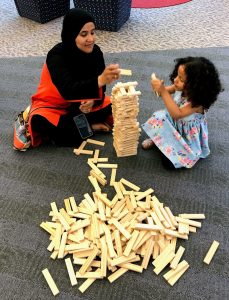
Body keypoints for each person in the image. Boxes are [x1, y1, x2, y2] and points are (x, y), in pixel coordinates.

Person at [13, 8, 121, 151]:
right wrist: (100, 80)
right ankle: (89, 127)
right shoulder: (56, 56)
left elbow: (101, 90)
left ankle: (81, 127)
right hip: (54, 106)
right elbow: (68, 90)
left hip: (78, 105)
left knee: (115, 106)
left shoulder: (96, 52)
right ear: (71, 35)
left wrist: (92, 101)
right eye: (84, 34)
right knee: (40, 122)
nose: (91, 39)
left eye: (93, 32)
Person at [141, 56, 223, 169]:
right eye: (177, 75)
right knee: (160, 117)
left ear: (196, 85)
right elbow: (162, 92)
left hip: (187, 134)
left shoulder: (197, 102)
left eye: (181, 79)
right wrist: (158, 88)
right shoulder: (179, 87)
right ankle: (158, 140)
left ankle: (168, 144)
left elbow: (177, 114)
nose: (175, 80)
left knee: (169, 164)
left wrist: (163, 91)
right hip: (174, 122)